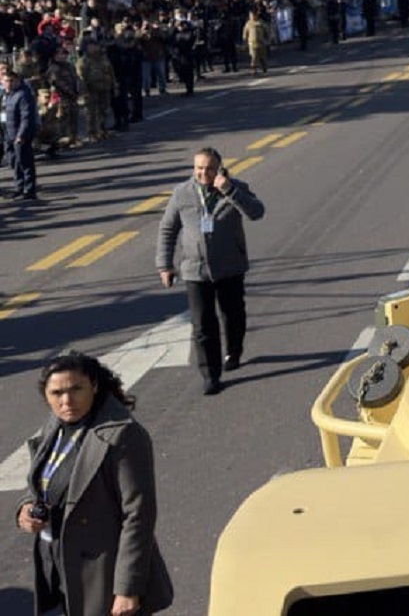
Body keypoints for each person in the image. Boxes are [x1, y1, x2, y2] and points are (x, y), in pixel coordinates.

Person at [15, 353, 174, 616]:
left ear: (94, 386)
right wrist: (25, 508)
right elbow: (43, 480)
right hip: (54, 563)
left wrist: (127, 588)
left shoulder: (123, 434)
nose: (67, 401)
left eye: (76, 389)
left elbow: (138, 515)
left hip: (102, 572)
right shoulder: (55, 425)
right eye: (56, 393)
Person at [155, 147, 266, 394]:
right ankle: (210, 374)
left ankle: (234, 352)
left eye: (208, 169)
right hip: (195, 269)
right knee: (202, 325)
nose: (203, 173)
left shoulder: (235, 188)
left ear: (219, 169)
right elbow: (167, 229)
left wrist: (229, 190)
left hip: (230, 266)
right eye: (198, 168)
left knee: (233, 315)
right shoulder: (182, 193)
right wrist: (165, 265)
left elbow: (257, 212)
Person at [2, 63, 41, 201]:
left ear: (18, 80)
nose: (8, 83)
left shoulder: (23, 95)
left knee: (25, 163)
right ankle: (19, 187)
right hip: (9, 134)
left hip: (20, 135)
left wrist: (21, 135)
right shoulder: (8, 95)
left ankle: (29, 190)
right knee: (15, 162)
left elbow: (26, 117)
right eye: (6, 81)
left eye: (11, 81)